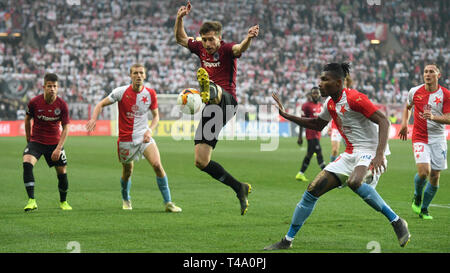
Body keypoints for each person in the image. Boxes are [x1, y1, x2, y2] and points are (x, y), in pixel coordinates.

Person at [265, 63, 410, 250]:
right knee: (312, 189)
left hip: (370, 150)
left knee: (355, 182)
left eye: (325, 80)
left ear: (339, 82)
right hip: (350, 152)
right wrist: (287, 115)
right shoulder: (330, 103)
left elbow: (383, 120)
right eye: (320, 79)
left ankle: (397, 222)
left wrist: (380, 154)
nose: (320, 83)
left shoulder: (355, 98)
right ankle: (287, 241)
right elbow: (318, 124)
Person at [174, 1, 259, 215]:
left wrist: (248, 38)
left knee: (214, 91)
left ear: (219, 38)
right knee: (201, 161)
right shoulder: (200, 48)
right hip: (212, 109)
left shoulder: (228, 49)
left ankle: (209, 88)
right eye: (205, 39)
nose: (208, 43)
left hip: (227, 100)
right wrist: (179, 18)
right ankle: (239, 187)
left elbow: (240, 48)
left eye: (211, 39)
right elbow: (181, 39)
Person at [86, 64, 182, 212]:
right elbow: (100, 104)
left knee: (157, 165)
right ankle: (126, 199)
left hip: (144, 136)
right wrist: (93, 119)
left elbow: (156, 117)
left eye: (141, 73)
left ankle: (168, 202)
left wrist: (150, 130)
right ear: (130, 76)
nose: (138, 75)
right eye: (135, 73)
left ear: (145, 76)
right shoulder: (121, 92)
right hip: (125, 140)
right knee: (127, 171)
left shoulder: (150, 93)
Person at [398, 64, 450, 220]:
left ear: (438, 75)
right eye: (426, 71)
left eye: (431, 72)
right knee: (423, 173)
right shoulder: (414, 92)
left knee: (435, 176)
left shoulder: (445, 94)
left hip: (438, 138)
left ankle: (424, 209)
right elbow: (407, 107)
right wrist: (404, 124)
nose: (428, 74)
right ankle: (417, 195)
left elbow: (448, 117)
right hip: (420, 136)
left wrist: (433, 117)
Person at [22, 73, 72, 211]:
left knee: (62, 172)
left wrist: (58, 148)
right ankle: (31, 201)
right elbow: (27, 119)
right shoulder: (34, 102)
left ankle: (63, 202)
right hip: (36, 141)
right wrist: (28, 139)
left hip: (54, 144)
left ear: (58, 88)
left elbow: (66, 127)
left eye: (54, 86)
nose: (52, 89)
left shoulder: (62, 105)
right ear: (43, 87)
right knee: (27, 163)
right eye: (49, 86)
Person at [295, 87, 326, 182]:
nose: (315, 95)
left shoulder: (321, 105)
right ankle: (326, 175)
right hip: (311, 134)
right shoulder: (306, 106)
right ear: (311, 95)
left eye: (317, 93)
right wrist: (300, 136)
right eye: (314, 93)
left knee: (309, 154)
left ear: (319, 94)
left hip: (318, 134)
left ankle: (300, 174)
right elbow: (301, 121)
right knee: (319, 153)